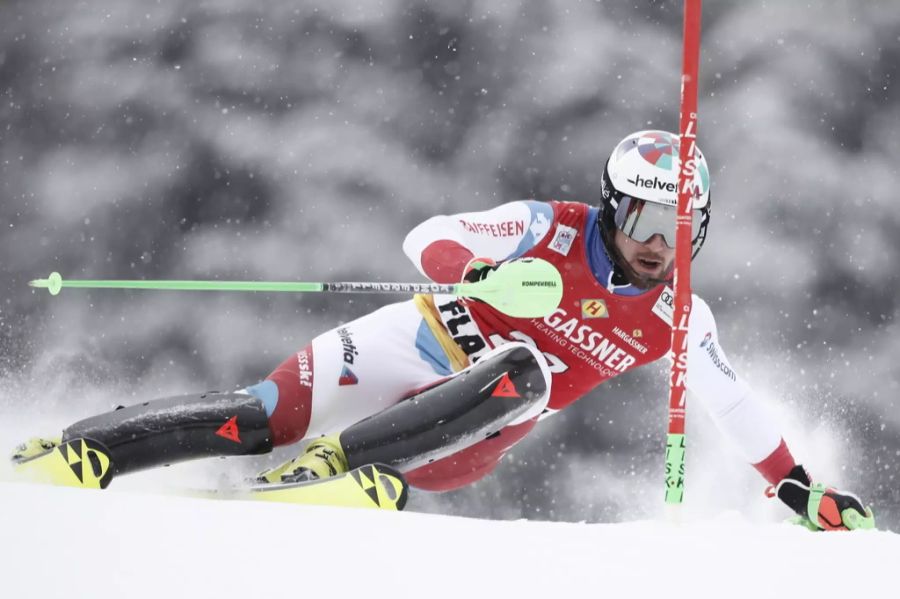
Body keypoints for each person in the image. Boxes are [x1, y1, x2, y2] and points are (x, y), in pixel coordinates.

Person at [12, 130, 874, 530]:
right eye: (648, 220)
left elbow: (733, 404)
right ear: (614, 207)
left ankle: (347, 469)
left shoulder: (683, 315)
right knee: (257, 417)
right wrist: (484, 274)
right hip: (413, 342)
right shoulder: (548, 225)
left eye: (681, 229)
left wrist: (799, 488)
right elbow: (428, 237)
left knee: (527, 373)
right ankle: (84, 450)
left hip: (478, 421)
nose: (661, 245)